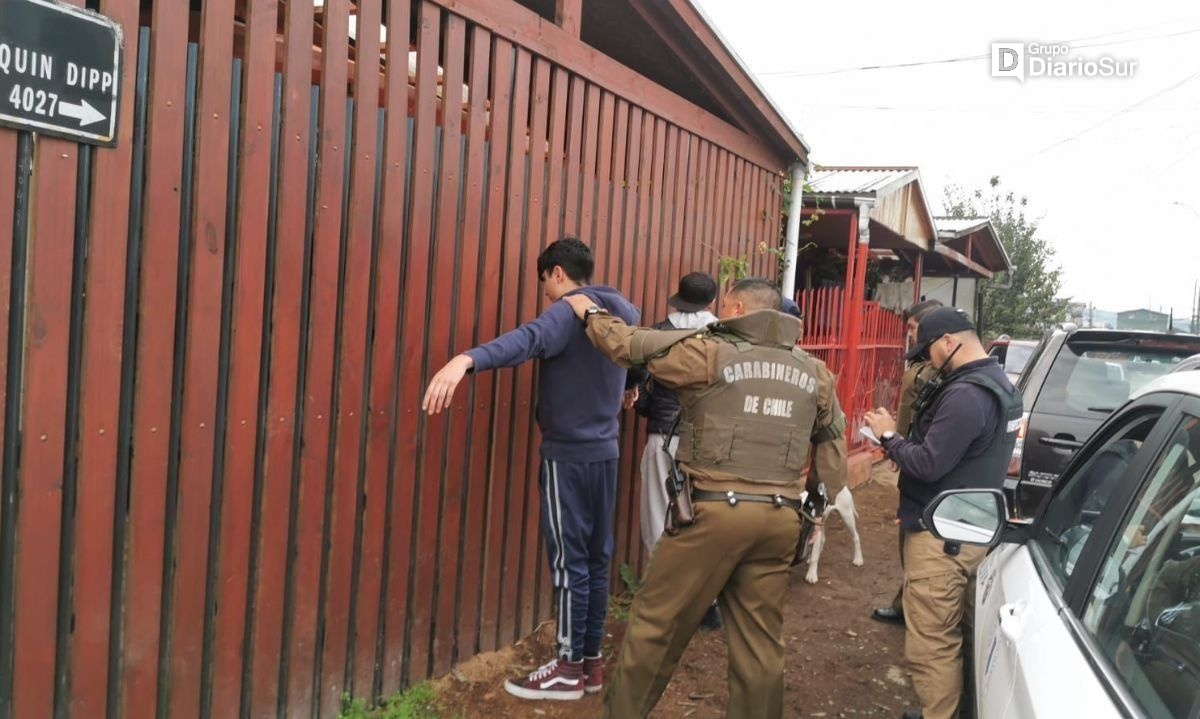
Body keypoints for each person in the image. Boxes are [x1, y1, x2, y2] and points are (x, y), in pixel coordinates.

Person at [563, 277, 848, 718]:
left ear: (734, 309)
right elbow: (832, 455)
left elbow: (628, 345)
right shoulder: (816, 372)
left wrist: (588, 311)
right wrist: (812, 511)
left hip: (714, 513)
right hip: (780, 519)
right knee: (760, 646)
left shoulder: (707, 352)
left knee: (656, 625)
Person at [422, 237, 641, 701]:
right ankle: (590, 664)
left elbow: (528, 340)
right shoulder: (625, 309)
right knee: (597, 561)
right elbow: (639, 357)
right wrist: (632, 386)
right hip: (607, 454)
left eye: (544, 282)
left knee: (569, 564)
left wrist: (467, 359)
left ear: (557, 273)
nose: (545, 293)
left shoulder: (568, 310)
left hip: (569, 458)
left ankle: (566, 668)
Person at [864, 307, 1023, 719]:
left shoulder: (967, 394)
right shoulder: (1000, 385)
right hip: (972, 528)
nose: (927, 360)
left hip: (943, 536)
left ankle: (940, 712)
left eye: (929, 349)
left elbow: (928, 464)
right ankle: (952, 708)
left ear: (950, 342)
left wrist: (887, 436)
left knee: (933, 641)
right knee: (963, 631)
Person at [635, 272, 718, 557]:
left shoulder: (658, 332)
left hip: (664, 436)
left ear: (679, 299)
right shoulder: (723, 337)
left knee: (658, 515)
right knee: (706, 517)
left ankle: (658, 590)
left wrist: (647, 405)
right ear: (712, 302)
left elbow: (635, 377)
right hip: (709, 441)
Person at [873, 298, 943, 627]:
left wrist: (900, 446)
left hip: (922, 456)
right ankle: (905, 603)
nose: (910, 336)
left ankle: (911, 608)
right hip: (907, 451)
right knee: (907, 532)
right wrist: (893, 446)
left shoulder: (940, 369)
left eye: (914, 329)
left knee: (918, 535)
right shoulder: (920, 362)